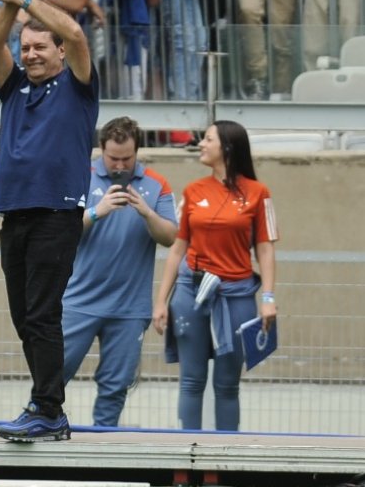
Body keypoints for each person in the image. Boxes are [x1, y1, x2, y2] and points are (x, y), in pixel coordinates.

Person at [0, 0, 97, 442]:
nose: (30, 54)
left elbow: (75, 31)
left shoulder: (77, 85)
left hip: (57, 211)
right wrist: (13, 0)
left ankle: (47, 408)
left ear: (59, 52)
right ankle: (47, 408)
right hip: (14, 213)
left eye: (39, 47)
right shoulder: (15, 88)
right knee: (24, 317)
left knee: (42, 314)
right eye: (25, 47)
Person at [153, 120, 278, 431]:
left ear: (227, 147)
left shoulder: (259, 193)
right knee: (191, 380)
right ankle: (189, 450)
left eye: (208, 139)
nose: (201, 144)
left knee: (227, 385)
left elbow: (265, 250)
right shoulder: (193, 191)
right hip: (190, 293)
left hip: (236, 294)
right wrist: (161, 301)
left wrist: (268, 298)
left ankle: (226, 452)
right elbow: (177, 250)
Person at [62, 116, 177, 427]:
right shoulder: (79, 175)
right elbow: (60, 232)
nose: (120, 166)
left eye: (127, 158)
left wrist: (147, 213)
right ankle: (47, 427)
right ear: (101, 149)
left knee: (116, 385)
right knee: (53, 374)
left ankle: (104, 440)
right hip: (79, 301)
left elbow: (171, 237)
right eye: (113, 158)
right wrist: (96, 212)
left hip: (129, 308)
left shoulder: (156, 184)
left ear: (137, 151)